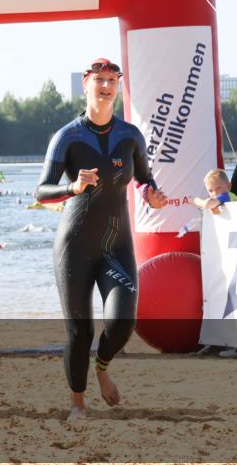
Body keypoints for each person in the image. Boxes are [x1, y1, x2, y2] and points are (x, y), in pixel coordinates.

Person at [35, 57, 167, 421]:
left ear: (118, 86)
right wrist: (72, 187)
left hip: (116, 246)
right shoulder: (67, 137)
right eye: (99, 80)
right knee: (80, 332)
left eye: (112, 80)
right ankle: (78, 403)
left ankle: (103, 365)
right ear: (86, 84)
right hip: (74, 246)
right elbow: (41, 192)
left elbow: (145, 179)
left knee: (123, 323)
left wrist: (152, 194)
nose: (106, 86)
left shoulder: (130, 136)